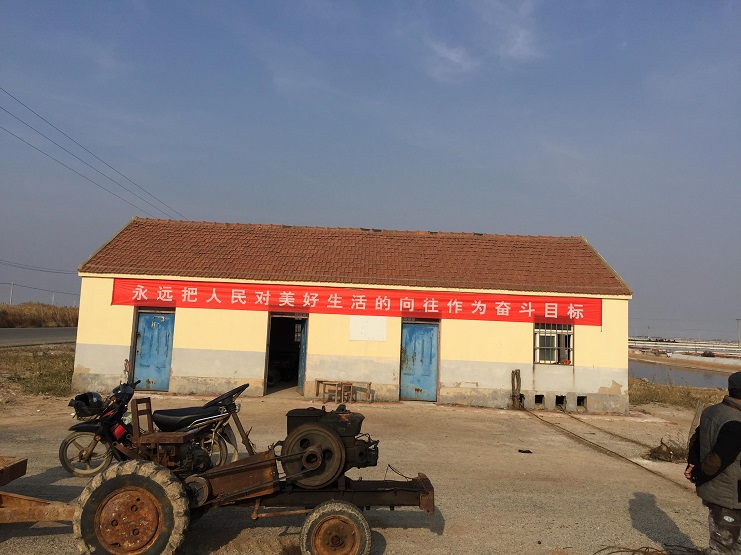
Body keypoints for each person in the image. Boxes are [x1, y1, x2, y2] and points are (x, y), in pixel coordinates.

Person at [686, 371, 741, 554]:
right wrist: (697, 474)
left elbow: (696, 441)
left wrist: (692, 465)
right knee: (724, 545)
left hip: (719, 491)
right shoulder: (735, 421)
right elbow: (718, 459)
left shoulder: (711, 411)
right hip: (729, 495)